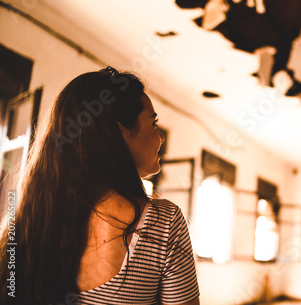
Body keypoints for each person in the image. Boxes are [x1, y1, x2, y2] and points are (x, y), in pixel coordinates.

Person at [0, 67, 200, 305]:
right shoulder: (164, 223)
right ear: (119, 131)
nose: (161, 138)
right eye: (153, 123)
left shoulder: (28, 218)